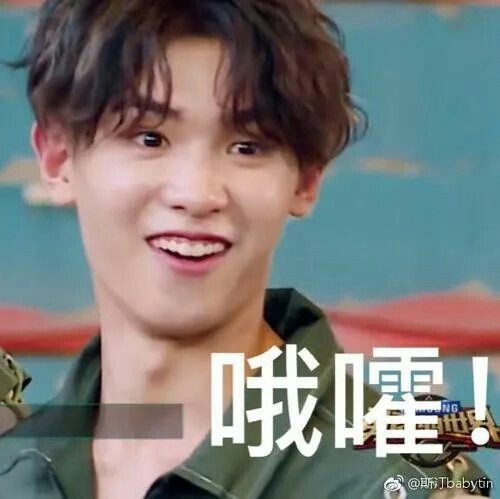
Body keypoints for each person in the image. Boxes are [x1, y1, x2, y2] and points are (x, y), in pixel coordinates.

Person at [0, 0, 490, 497]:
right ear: (58, 159)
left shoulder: (394, 482)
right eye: (149, 138)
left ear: (306, 179)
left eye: (247, 146)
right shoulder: (15, 465)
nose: (196, 194)